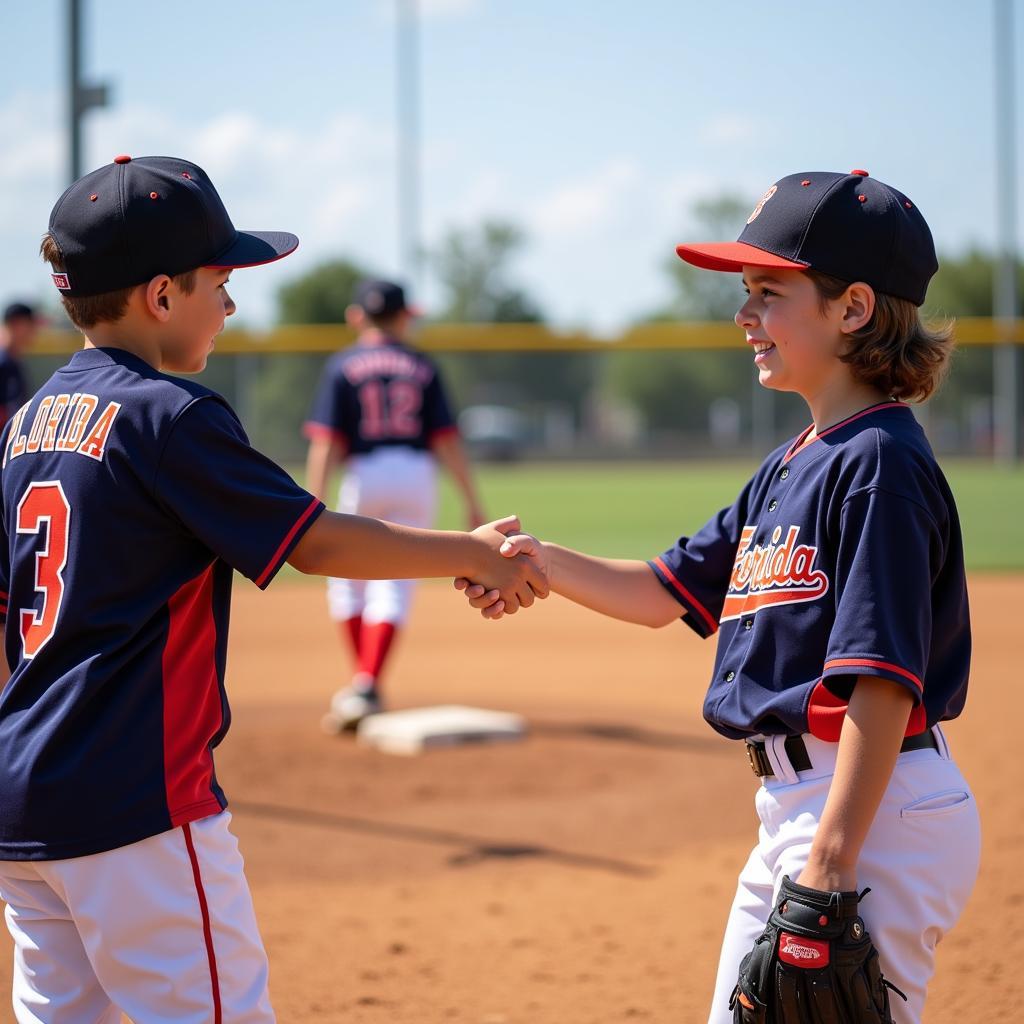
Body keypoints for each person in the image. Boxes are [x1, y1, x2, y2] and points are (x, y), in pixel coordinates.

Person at [0, 154, 544, 1024]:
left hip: (24, 802)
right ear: (161, 295)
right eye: (220, 280)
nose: (233, 301)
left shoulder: (27, 423)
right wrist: (470, 553)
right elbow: (317, 540)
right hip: (138, 806)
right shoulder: (169, 415)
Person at [457, 170, 980, 1023]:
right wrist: (532, 560)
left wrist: (834, 860)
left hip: (868, 816)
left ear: (852, 308)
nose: (744, 315)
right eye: (745, 293)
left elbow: (882, 680)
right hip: (804, 814)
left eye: (768, 293)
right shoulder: (795, 461)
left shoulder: (877, 464)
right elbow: (664, 590)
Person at [304, 278, 485, 731]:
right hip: (416, 472)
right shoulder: (422, 365)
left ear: (356, 316)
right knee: (397, 580)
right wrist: (471, 499)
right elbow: (447, 439)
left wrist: (310, 502)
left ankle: (363, 682)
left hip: (363, 473)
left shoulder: (342, 365)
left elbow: (326, 442)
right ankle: (367, 680)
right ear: (405, 317)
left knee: (347, 579)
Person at [0, 301, 42, 430]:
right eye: (30, 324)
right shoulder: (3, 362)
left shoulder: (14, 361)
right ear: (15, 323)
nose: (34, 330)